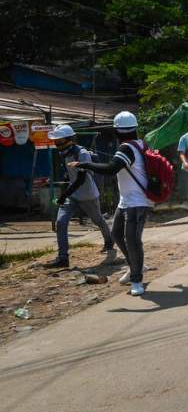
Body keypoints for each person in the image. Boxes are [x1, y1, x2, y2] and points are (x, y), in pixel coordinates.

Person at [70, 111, 155, 296]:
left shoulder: (126, 148)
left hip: (137, 202)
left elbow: (111, 169)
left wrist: (84, 165)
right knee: (117, 234)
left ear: (118, 132)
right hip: (127, 200)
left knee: (132, 239)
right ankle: (135, 265)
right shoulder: (140, 144)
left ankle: (137, 279)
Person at [43, 125, 114, 269]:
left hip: (87, 194)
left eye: (60, 140)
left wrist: (63, 195)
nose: (57, 144)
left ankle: (109, 241)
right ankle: (63, 257)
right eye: (56, 141)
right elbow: (71, 175)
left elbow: (81, 179)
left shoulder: (82, 154)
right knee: (61, 222)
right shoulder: (65, 153)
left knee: (98, 220)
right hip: (72, 195)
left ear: (70, 139)